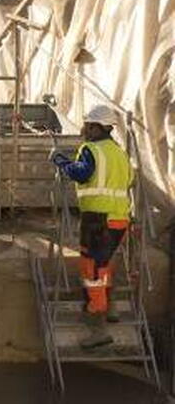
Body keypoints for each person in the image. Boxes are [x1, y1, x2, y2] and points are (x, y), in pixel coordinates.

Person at [52, 104, 134, 345]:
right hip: (119, 219)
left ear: (98, 127)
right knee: (104, 264)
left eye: (88, 125)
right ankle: (112, 308)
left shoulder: (91, 150)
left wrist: (60, 161)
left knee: (92, 272)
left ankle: (97, 330)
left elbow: (82, 173)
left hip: (98, 220)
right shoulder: (119, 153)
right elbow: (130, 179)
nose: (84, 129)